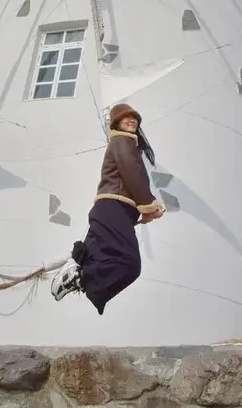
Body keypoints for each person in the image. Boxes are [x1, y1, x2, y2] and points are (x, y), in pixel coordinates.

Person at [50, 102, 164, 314]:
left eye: (135, 118)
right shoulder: (123, 141)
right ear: (116, 122)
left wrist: (147, 208)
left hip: (113, 210)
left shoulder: (124, 144)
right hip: (114, 208)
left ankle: (78, 272)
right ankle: (79, 275)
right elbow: (134, 177)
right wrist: (148, 207)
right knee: (129, 264)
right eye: (126, 117)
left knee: (108, 258)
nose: (132, 120)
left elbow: (134, 181)